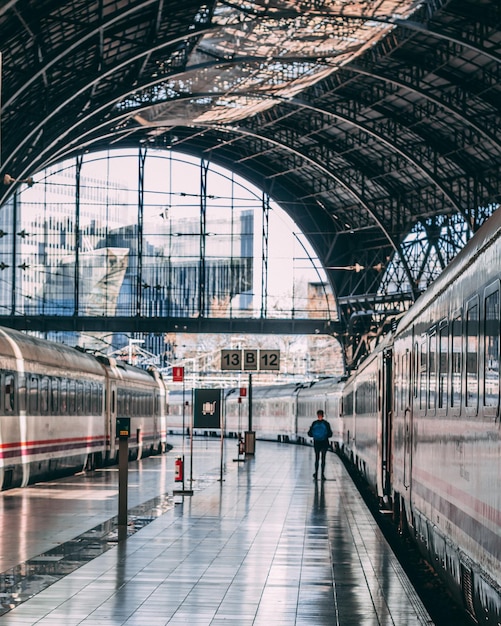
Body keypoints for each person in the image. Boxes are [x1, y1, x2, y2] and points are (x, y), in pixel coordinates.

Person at [307, 409, 333, 480]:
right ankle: (322, 474)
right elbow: (330, 434)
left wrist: (315, 435)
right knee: (323, 459)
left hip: (317, 443)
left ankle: (316, 473)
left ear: (317, 415)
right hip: (324, 443)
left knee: (317, 458)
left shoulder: (314, 423)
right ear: (323, 415)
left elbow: (309, 434)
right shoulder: (326, 424)